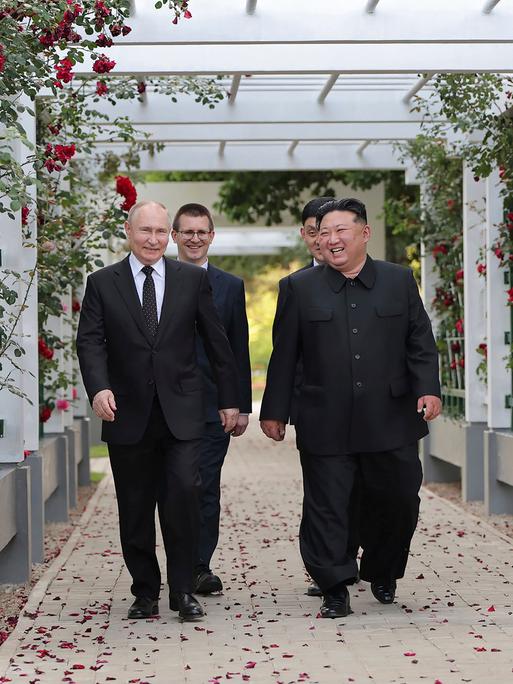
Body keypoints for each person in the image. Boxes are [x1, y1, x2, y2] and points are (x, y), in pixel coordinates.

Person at [260, 197, 441, 618]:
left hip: (391, 417)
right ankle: (334, 586)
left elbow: (420, 342)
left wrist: (428, 389)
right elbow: (284, 354)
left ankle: (381, 567)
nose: (331, 239)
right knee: (327, 504)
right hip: (325, 417)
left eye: (341, 230)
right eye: (324, 232)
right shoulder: (297, 288)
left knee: (398, 499)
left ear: (364, 233)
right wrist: (275, 410)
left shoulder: (399, 280)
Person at [76, 200, 240, 622]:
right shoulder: (102, 282)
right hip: (126, 413)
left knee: (183, 496)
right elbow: (90, 342)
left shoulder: (189, 279)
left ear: (169, 235)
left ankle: (183, 590)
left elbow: (218, 344)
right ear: (129, 232)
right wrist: (98, 389)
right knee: (134, 507)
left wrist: (229, 399)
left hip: (183, 412)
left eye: (161, 232)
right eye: (145, 231)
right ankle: (145, 591)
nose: (154, 240)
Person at [171, 203, 252, 595]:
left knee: (205, 487)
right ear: (175, 236)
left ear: (212, 236)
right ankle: (176, 564)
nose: (195, 238)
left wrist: (240, 405)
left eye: (202, 231)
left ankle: (199, 567)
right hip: (166, 406)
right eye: (187, 231)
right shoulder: (159, 281)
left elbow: (238, 346)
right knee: (175, 487)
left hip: (213, 407)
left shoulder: (231, 286)